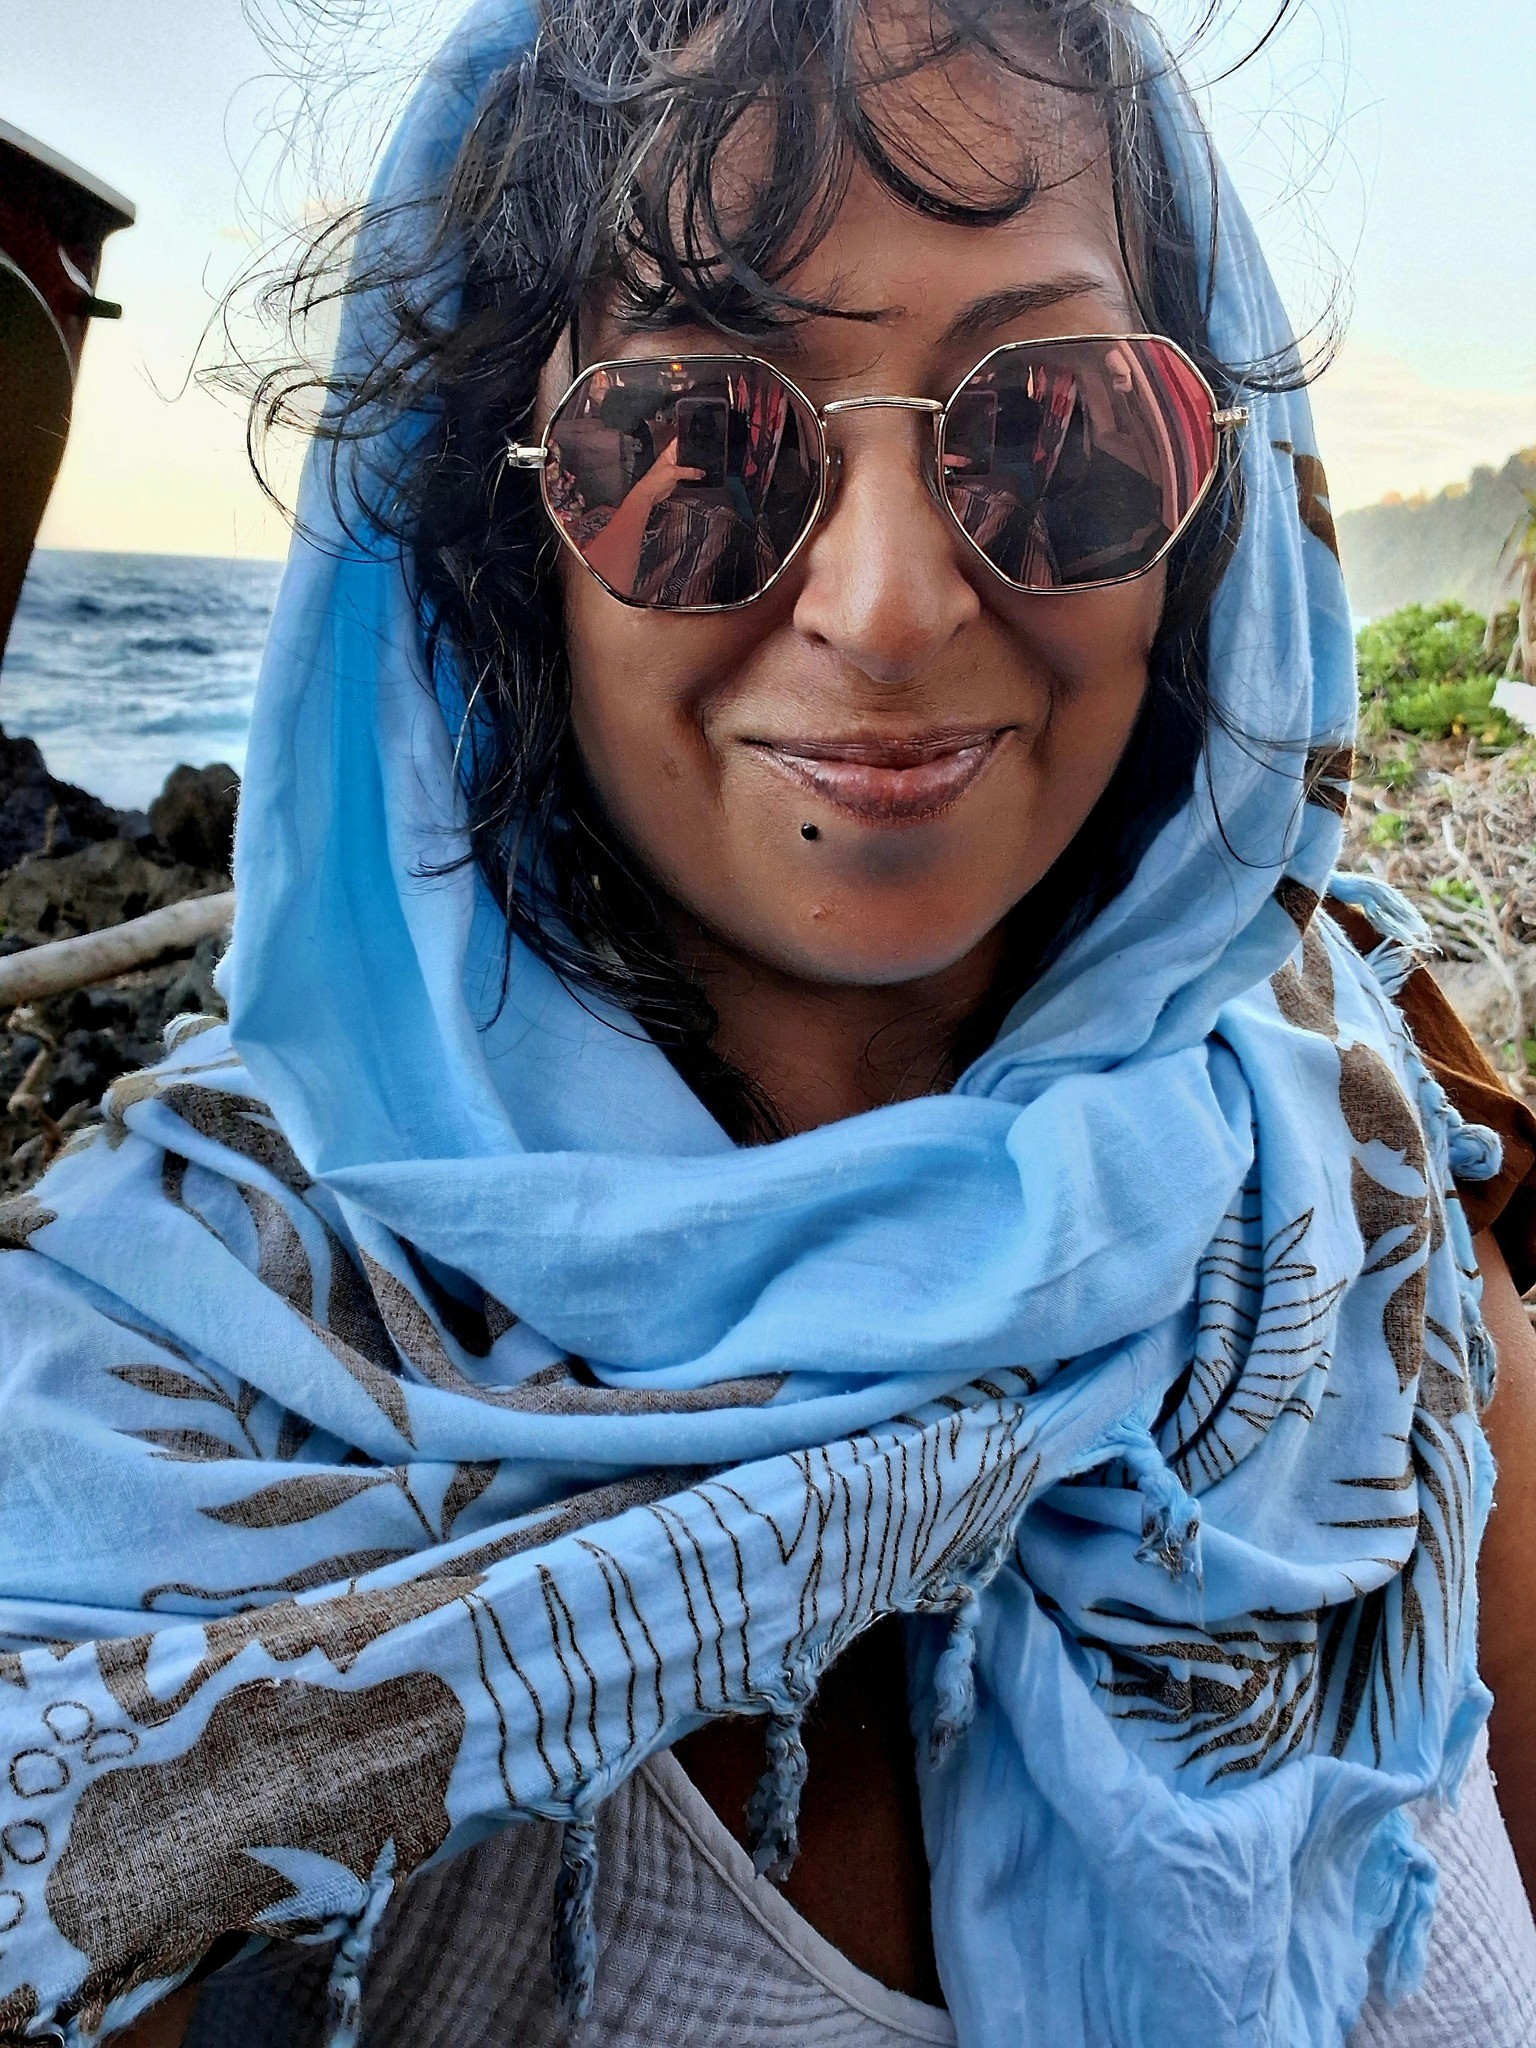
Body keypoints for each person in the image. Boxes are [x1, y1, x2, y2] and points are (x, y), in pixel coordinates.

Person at [2, 2, 1535, 2045]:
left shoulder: (1370, 1237)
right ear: (492, 517)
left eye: (1051, 422)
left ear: (1211, 490)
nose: (891, 606)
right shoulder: (155, 1430)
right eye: (696, 438)